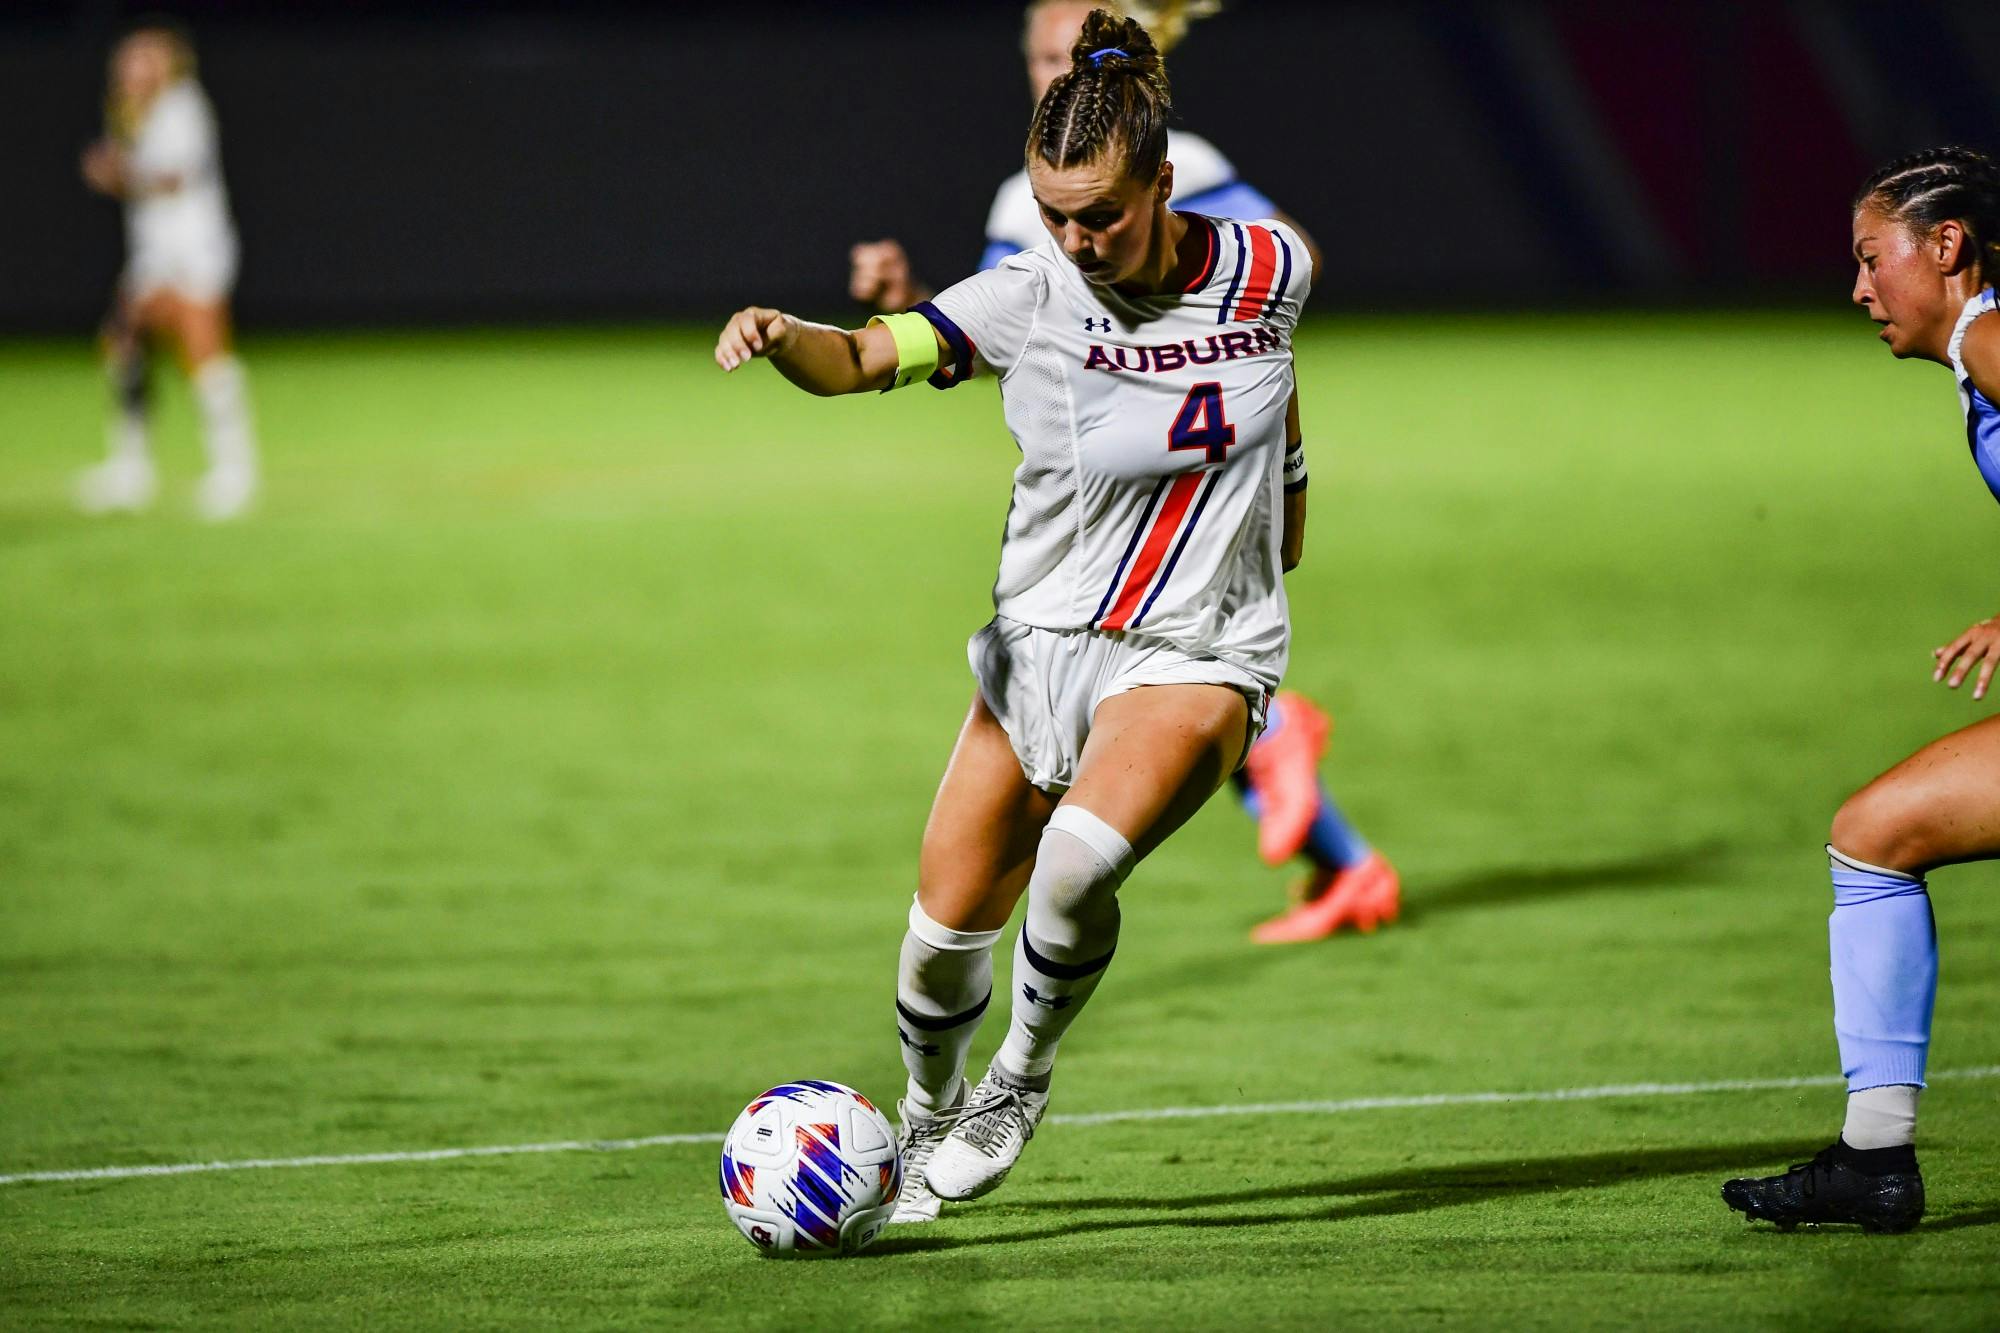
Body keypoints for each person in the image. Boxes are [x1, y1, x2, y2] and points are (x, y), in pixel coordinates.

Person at [721, 11, 1313, 1224]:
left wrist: (1287, 509)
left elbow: (1273, 389)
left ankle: (1014, 1083)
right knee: (940, 936)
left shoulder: (1270, 265)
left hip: (1200, 647)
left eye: (1099, 211)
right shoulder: (1026, 294)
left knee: (1072, 868)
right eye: (1054, 212)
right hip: (1039, 645)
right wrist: (786, 339)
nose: (1074, 237)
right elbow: (863, 359)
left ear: (1162, 177)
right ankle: (923, 1112)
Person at [850, 0, 1396, 942]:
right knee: (1122, 700)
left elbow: (1262, 301)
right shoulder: (1023, 200)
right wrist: (911, 309)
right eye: (1037, 55)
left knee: (1155, 677)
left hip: (1182, 473)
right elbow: (991, 338)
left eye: (1066, 53)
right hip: (1095, 486)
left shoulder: (1189, 173)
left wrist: (1289, 475)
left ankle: (1277, 739)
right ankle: (1347, 862)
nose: (1047, 69)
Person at [1721, 146, 2000, 1234]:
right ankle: (1871, 1160)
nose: (1855, 289)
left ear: (1944, 247)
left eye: (1868, 258)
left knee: (1870, 835)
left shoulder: (1984, 335)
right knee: (1872, 832)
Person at [77, 23, 258, 522]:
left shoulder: (183, 107)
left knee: (204, 352)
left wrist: (116, 175)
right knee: (124, 342)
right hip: (154, 251)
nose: (131, 68)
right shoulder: (132, 110)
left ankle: (235, 472)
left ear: (167, 64)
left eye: (142, 59)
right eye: (128, 60)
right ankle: (131, 469)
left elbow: (174, 178)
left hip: (194, 247)